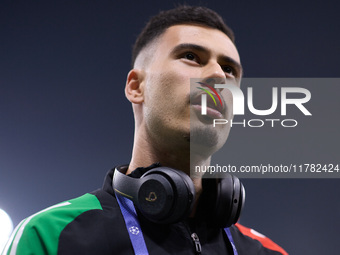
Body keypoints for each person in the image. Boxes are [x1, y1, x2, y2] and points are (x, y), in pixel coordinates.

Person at [2, 5, 288, 255]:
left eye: (229, 70)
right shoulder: (49, 236)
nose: (217, 76)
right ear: (136, 87)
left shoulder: (269, 252)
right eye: (191, 56)